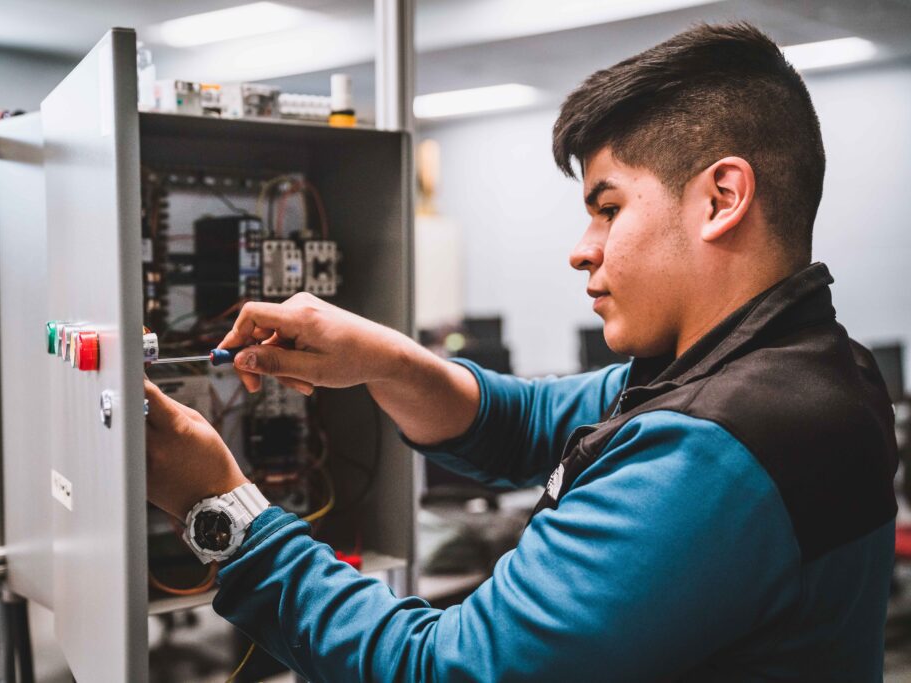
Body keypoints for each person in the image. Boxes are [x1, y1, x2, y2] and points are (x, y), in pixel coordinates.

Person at [143, 22, 898, 681]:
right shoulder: (807, 365)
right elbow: (527, 420)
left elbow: (444, 669)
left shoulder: (711, 452)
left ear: (721, 198)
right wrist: (387, 359)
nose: (582, 249)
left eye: (609, 208)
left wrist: (219, 505)